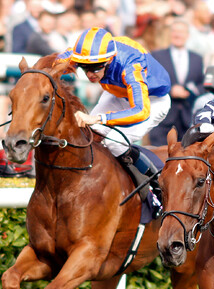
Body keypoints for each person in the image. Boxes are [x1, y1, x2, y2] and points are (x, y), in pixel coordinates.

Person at [60, 27, 171, 215]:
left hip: (151, 102)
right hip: (118, 93)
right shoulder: (88, 54)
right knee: (88, 133)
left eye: (96, 67)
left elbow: (140, 111)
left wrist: (98, 118)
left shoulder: (131, 67)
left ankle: (155, 189)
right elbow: (54, 62)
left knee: (114, 143)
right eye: (84, 68)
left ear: (109, 60)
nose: (90, 74)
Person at [148, 19, 204, 146]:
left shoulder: (197, 58)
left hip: (188, 119)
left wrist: (191, 91)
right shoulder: (157, 56)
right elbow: (150, 81)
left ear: (187, 35)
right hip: (162, 119)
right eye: (175, 31)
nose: (178, 35)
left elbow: (202, 84)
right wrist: (170, 90)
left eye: (181, 32)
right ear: (170, 34)